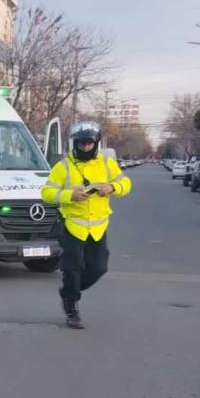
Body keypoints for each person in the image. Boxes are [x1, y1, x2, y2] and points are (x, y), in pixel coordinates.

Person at [41, 122, 132, 329]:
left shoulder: (107, 164)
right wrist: (70, 195)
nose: (85, 147)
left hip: (98, 226)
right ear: (75, 143)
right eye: (81, 143)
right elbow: (46, 193)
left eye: (89, 143)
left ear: (96, 143)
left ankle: (70, 292)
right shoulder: (63, 167)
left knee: (99, 267)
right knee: (72, 269)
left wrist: (112, 187)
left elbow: (126, 184)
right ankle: (71, 306)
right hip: (73, 225)